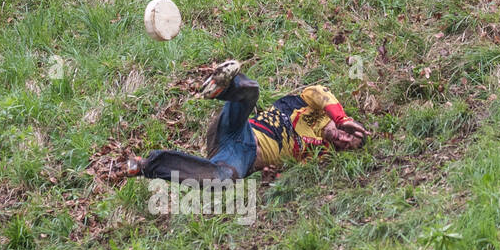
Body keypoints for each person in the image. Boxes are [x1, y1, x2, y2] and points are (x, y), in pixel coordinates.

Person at [123, 60, 371, 182]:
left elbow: (296, 175)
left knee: (223, 179)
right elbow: (319, 89)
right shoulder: (314, 106)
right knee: (251, 92)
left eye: (347, 147)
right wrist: (342, 117)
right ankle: (222, 84)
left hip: (243, 156)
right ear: (347, 126)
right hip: (242, 128)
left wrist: (273, 175)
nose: (344, 141)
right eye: (349, 135)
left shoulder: (319, 152)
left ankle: (144, 165)